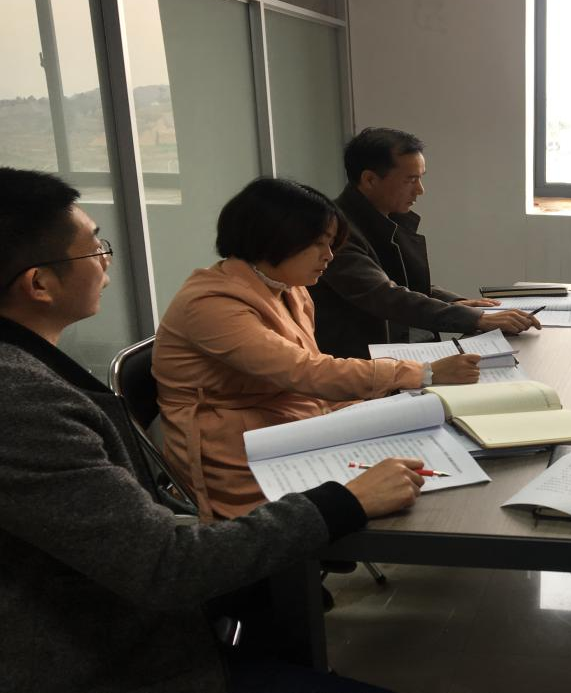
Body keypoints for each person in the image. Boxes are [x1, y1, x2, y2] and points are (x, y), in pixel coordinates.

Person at [0, 167, 420, 692]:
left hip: (160, 608)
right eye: (95, 248)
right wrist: (343, 500)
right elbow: (164, 565)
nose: (107, 260)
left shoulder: (30, 377)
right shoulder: (23, 404)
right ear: (39, 284)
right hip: (126, 658)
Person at [153, 178, 480, 520]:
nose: (329, 255)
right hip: (240, 455)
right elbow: (306, 372)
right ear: (273, 238)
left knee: (424, 442)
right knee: (403, 490)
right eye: (318, 244)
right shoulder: (211, 304)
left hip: (289, 428)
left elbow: (310, 372)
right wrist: (422, 373)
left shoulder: (289, 288)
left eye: (331, 243)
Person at [311, 127, 539, 358]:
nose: (420, 190)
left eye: (420, 178)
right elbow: (386, 296)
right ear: (369, 179)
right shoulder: (334, 232)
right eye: (411, 180)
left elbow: (406, 284)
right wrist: (477, 319)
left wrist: (456, 302)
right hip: (365, 360)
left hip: (401, 345)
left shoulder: (385, 217)